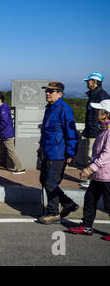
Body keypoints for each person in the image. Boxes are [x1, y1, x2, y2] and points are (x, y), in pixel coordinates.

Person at [37, 81, 79, 225]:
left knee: (50, 182)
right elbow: (46, 132)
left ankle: (53, 213)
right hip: (47, 152)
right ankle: (68, 203)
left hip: (58, 153)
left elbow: (71, 133)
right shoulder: (49, 108)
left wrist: (70, 153)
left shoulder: (64, 109)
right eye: (47, 91)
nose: (47, 94)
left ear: (60, 94)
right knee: (44, 180)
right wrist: (41, 147)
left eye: (51, 91)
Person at [69, 99, 110, 241]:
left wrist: (90, 169)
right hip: (99, 174)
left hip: (107, 175)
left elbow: (107, 154)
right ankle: (86, 226)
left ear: (106, 114)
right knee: (90, 199)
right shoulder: (102, 129)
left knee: (108, 205)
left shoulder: (109, 131)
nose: (95, 112)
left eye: (99, 110)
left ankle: (87, 226)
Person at [80, 72, 110, 189]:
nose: (87, 83)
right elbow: (90, 115)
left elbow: (100, 117)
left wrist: (92, 130)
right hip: (92, 130)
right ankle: (91, 178)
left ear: (95, 82)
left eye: (89, 81)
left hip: (96, 131)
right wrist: (87, 129)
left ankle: (90, 178)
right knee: (91, 155)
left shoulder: (102, 96)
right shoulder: (94, 94)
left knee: (92, 156)